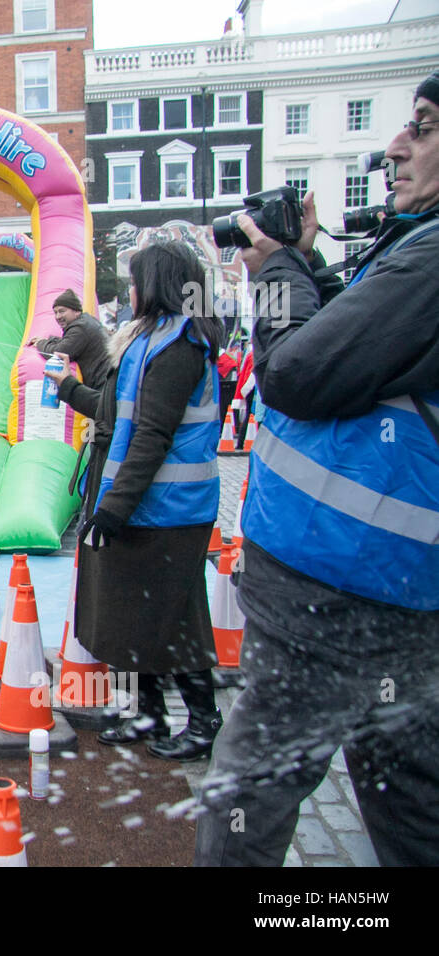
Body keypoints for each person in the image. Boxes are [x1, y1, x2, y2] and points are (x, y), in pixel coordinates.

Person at [194, 74, 439, 867]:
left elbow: (298, 372)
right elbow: (363, 353)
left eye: (425, 127)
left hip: (341, 590)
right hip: (392, 592)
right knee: (407, 804)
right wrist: (308, 265)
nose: (396, 147)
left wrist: (274, 270)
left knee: (248, 794)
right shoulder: (413, 248)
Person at [46, 240, 225, 762]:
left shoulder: (180, 346)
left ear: (158, 284)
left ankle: (203, 720)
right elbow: (113, 412)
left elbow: (150, 435)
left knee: (176, 613)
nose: (129, 289)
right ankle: (147, 713)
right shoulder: (148, 338)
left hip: (168, 508)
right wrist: (66, 389)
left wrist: (112, 509)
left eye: (136, 279)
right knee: (132, 611)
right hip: (142, 501)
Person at [27, 288, 112, 388]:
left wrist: (40, 343)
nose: (58, 316)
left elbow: (58, 353)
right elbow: (67, 342)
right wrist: (47, 340)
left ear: (76, 311)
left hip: (102, 386)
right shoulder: (85, 322)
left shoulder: (80, 328)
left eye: (62, 311)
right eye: (55, 312)